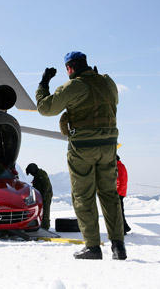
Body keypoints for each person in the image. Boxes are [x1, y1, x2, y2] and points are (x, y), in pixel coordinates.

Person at [36, 51, 126, 260]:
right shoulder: (107, 82)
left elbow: (45, 108)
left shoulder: (74, 86)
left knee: (83, 197)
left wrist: (43, 84)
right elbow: (113, 102)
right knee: (109, 195)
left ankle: (93, 247)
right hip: (108, 146)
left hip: (83, 148)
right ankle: (118, 246)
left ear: (69, 68)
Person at [25, 163, 53, 230]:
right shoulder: (37, 175)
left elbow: (46, 186)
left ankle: (45, 227)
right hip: (41, 196)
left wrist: (44, 197)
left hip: (46, 196)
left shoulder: (41, 175)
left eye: (31, 172)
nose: (31, 174)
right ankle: (42, 225)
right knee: (41, 211)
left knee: (45, 211)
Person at [116, 155, 131, 234]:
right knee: (119, 211)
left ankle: (123, 229)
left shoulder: (119, 167)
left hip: (119, 193)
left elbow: (122, 181)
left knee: (119, 212)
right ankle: (125, 228)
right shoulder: (119, 166)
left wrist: (117, 193)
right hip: (120, 192)